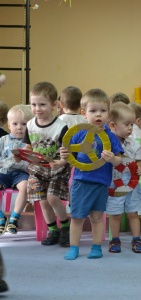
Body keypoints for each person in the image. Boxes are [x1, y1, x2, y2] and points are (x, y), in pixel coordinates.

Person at [60, 88, 123, 260]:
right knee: (77, 217)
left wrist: (111, 159)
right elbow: (68, 156)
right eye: (93, 111)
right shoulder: (78, 133)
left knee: (97, 217)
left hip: (101, 183)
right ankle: (74, 248)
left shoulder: (111, 137)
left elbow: (119, 161)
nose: (98, 115)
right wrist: (64, 155)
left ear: (108, 114)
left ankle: (96, 247)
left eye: (102, 111)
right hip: (81, 181)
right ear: (83, 113)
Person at [17, 82, 71, 247]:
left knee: (53, 198)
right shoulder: (31, 124)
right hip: (37, 170)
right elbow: (29, 147)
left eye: (42, 104)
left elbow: (67, 153)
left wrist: (60, 162)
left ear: (54, 105)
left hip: (57, 169)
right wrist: (21, 155)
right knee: (42, 201)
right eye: (33, 104)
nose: (37, 109)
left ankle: (65, 227)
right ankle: (53, 230)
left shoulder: (61, 127)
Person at [106, 102, 141, 253]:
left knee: (133, 213)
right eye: (127, 124)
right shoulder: (107, 144)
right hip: (114, 185)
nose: (131, 128)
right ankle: (114, 240)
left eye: (132, 124)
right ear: (113, 126)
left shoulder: (133, 144)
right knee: (115, 214)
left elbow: (139, 160)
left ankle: (137, 239)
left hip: (132, 185)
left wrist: (140, 167)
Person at [0, 105, 34, 235]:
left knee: (25, 186)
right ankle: (1, 217)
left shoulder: (30, 143)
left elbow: (32, 161)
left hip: (21, 174)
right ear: (9, 125)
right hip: (3, 172)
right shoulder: (3, 140)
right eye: (15, 124)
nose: (19, 127)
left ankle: (15, 217)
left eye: (24, 124)